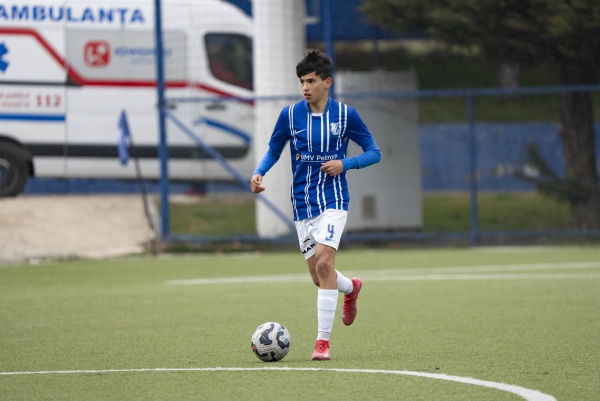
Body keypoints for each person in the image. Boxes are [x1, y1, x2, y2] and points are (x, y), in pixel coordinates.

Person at [250, 50, 381, 361]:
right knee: (319, 275)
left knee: (324, 264)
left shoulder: (346, 115)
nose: (305, 87)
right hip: (302, 204)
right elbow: (274, 149)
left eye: (311, 81)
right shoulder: (289, 115)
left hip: (334, 201)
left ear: (327, 82)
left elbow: (373, 152)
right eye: (302, 82)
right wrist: (259, 171)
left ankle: (322, 343)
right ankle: (351, 288)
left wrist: (345, 163)